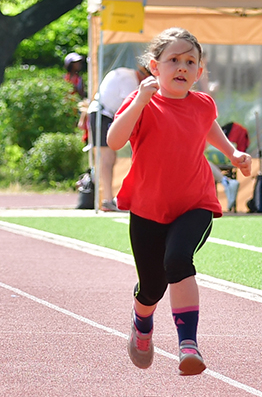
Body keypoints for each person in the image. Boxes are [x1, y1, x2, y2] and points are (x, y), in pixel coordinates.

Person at [107, 28, 252, 376]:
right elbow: (114, 141)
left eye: (190, 62)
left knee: (178, 259)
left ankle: (189, 344)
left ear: (199, 72)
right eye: (174, 60)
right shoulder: (141, 103)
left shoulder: (203, 103)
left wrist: (232, 152)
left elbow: (208, 126)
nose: (182, 67)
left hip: (195, 203)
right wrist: (140, 100)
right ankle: (142, 321)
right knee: (152, 286)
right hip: (148, 207)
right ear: (155, 67)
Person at [79, 64, 146, 212]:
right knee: (107, 159)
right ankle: (107, 199)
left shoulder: (126, 74)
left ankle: (108, 199)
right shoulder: (130, 79)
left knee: (109, 159)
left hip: (103, 115)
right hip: (102, 116)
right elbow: (129, 107)